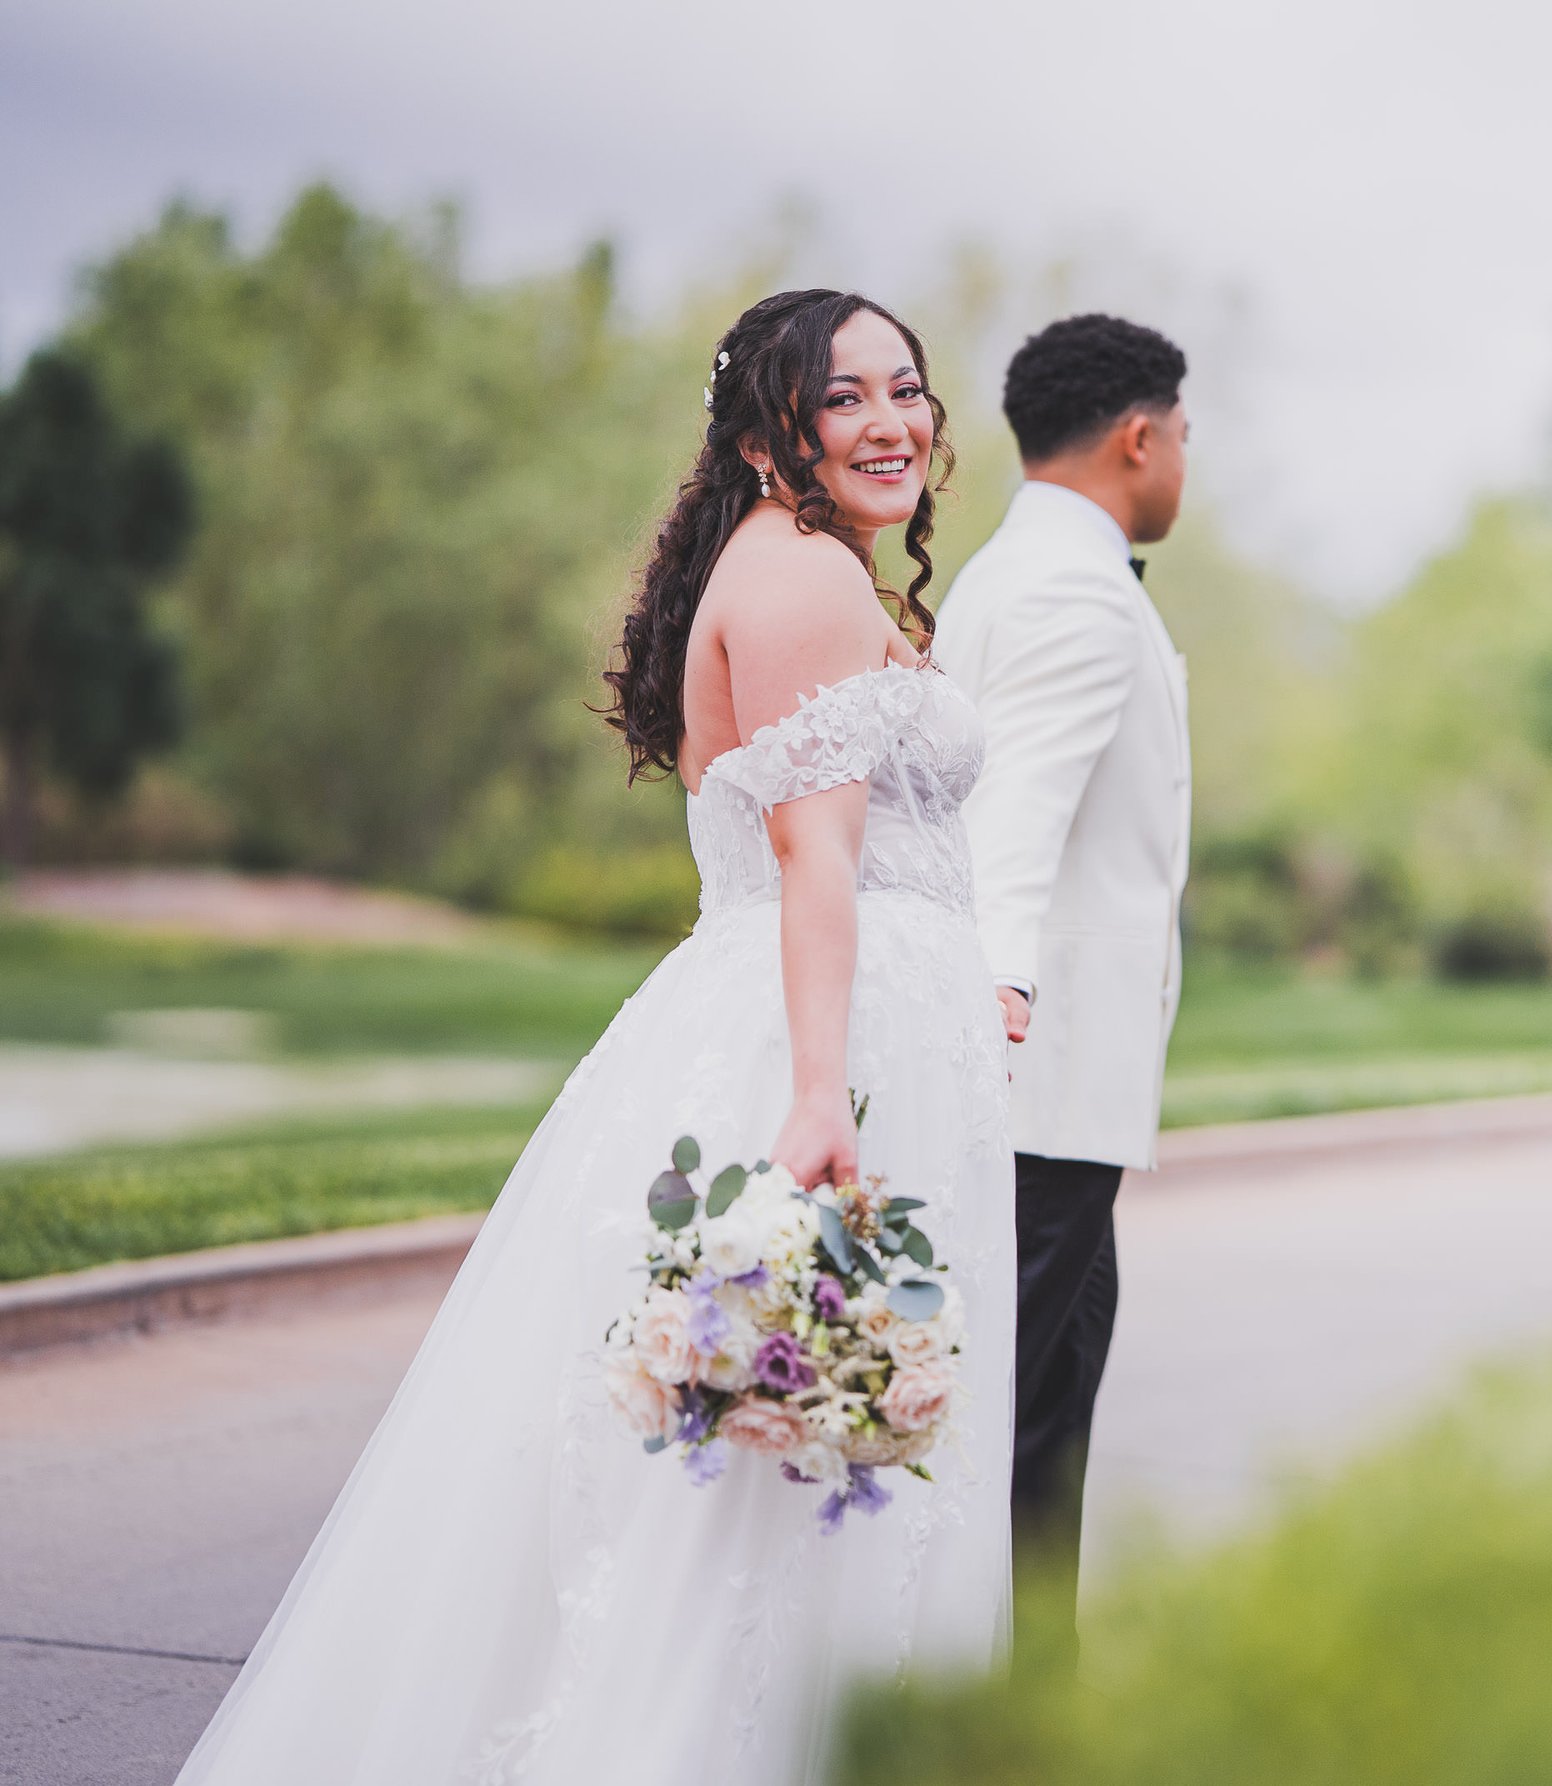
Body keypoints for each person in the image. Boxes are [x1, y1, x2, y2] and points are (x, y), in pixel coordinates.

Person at [176, 289, 1013, 1785]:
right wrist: (826, 1094)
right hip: (834, 1046)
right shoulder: (812, 582)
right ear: (771, 434)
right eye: (846, 400)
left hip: (815, 1019)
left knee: (764, 1463)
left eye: (909, 389)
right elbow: (817, 864)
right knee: (801, 1468)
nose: (892, 423)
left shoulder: (774, 569)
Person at [931, 314, 1192, 1645]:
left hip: (1050, 1087)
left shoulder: (1006, 571)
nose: (1186, 460)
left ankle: (1035, 1689)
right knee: (1012, 1419)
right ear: (1141, 435)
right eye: (1185, 434)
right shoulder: (1079, 591)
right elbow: (1013, 820)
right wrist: (998, 1006)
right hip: (1041, 1079)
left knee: (1044, 1404)